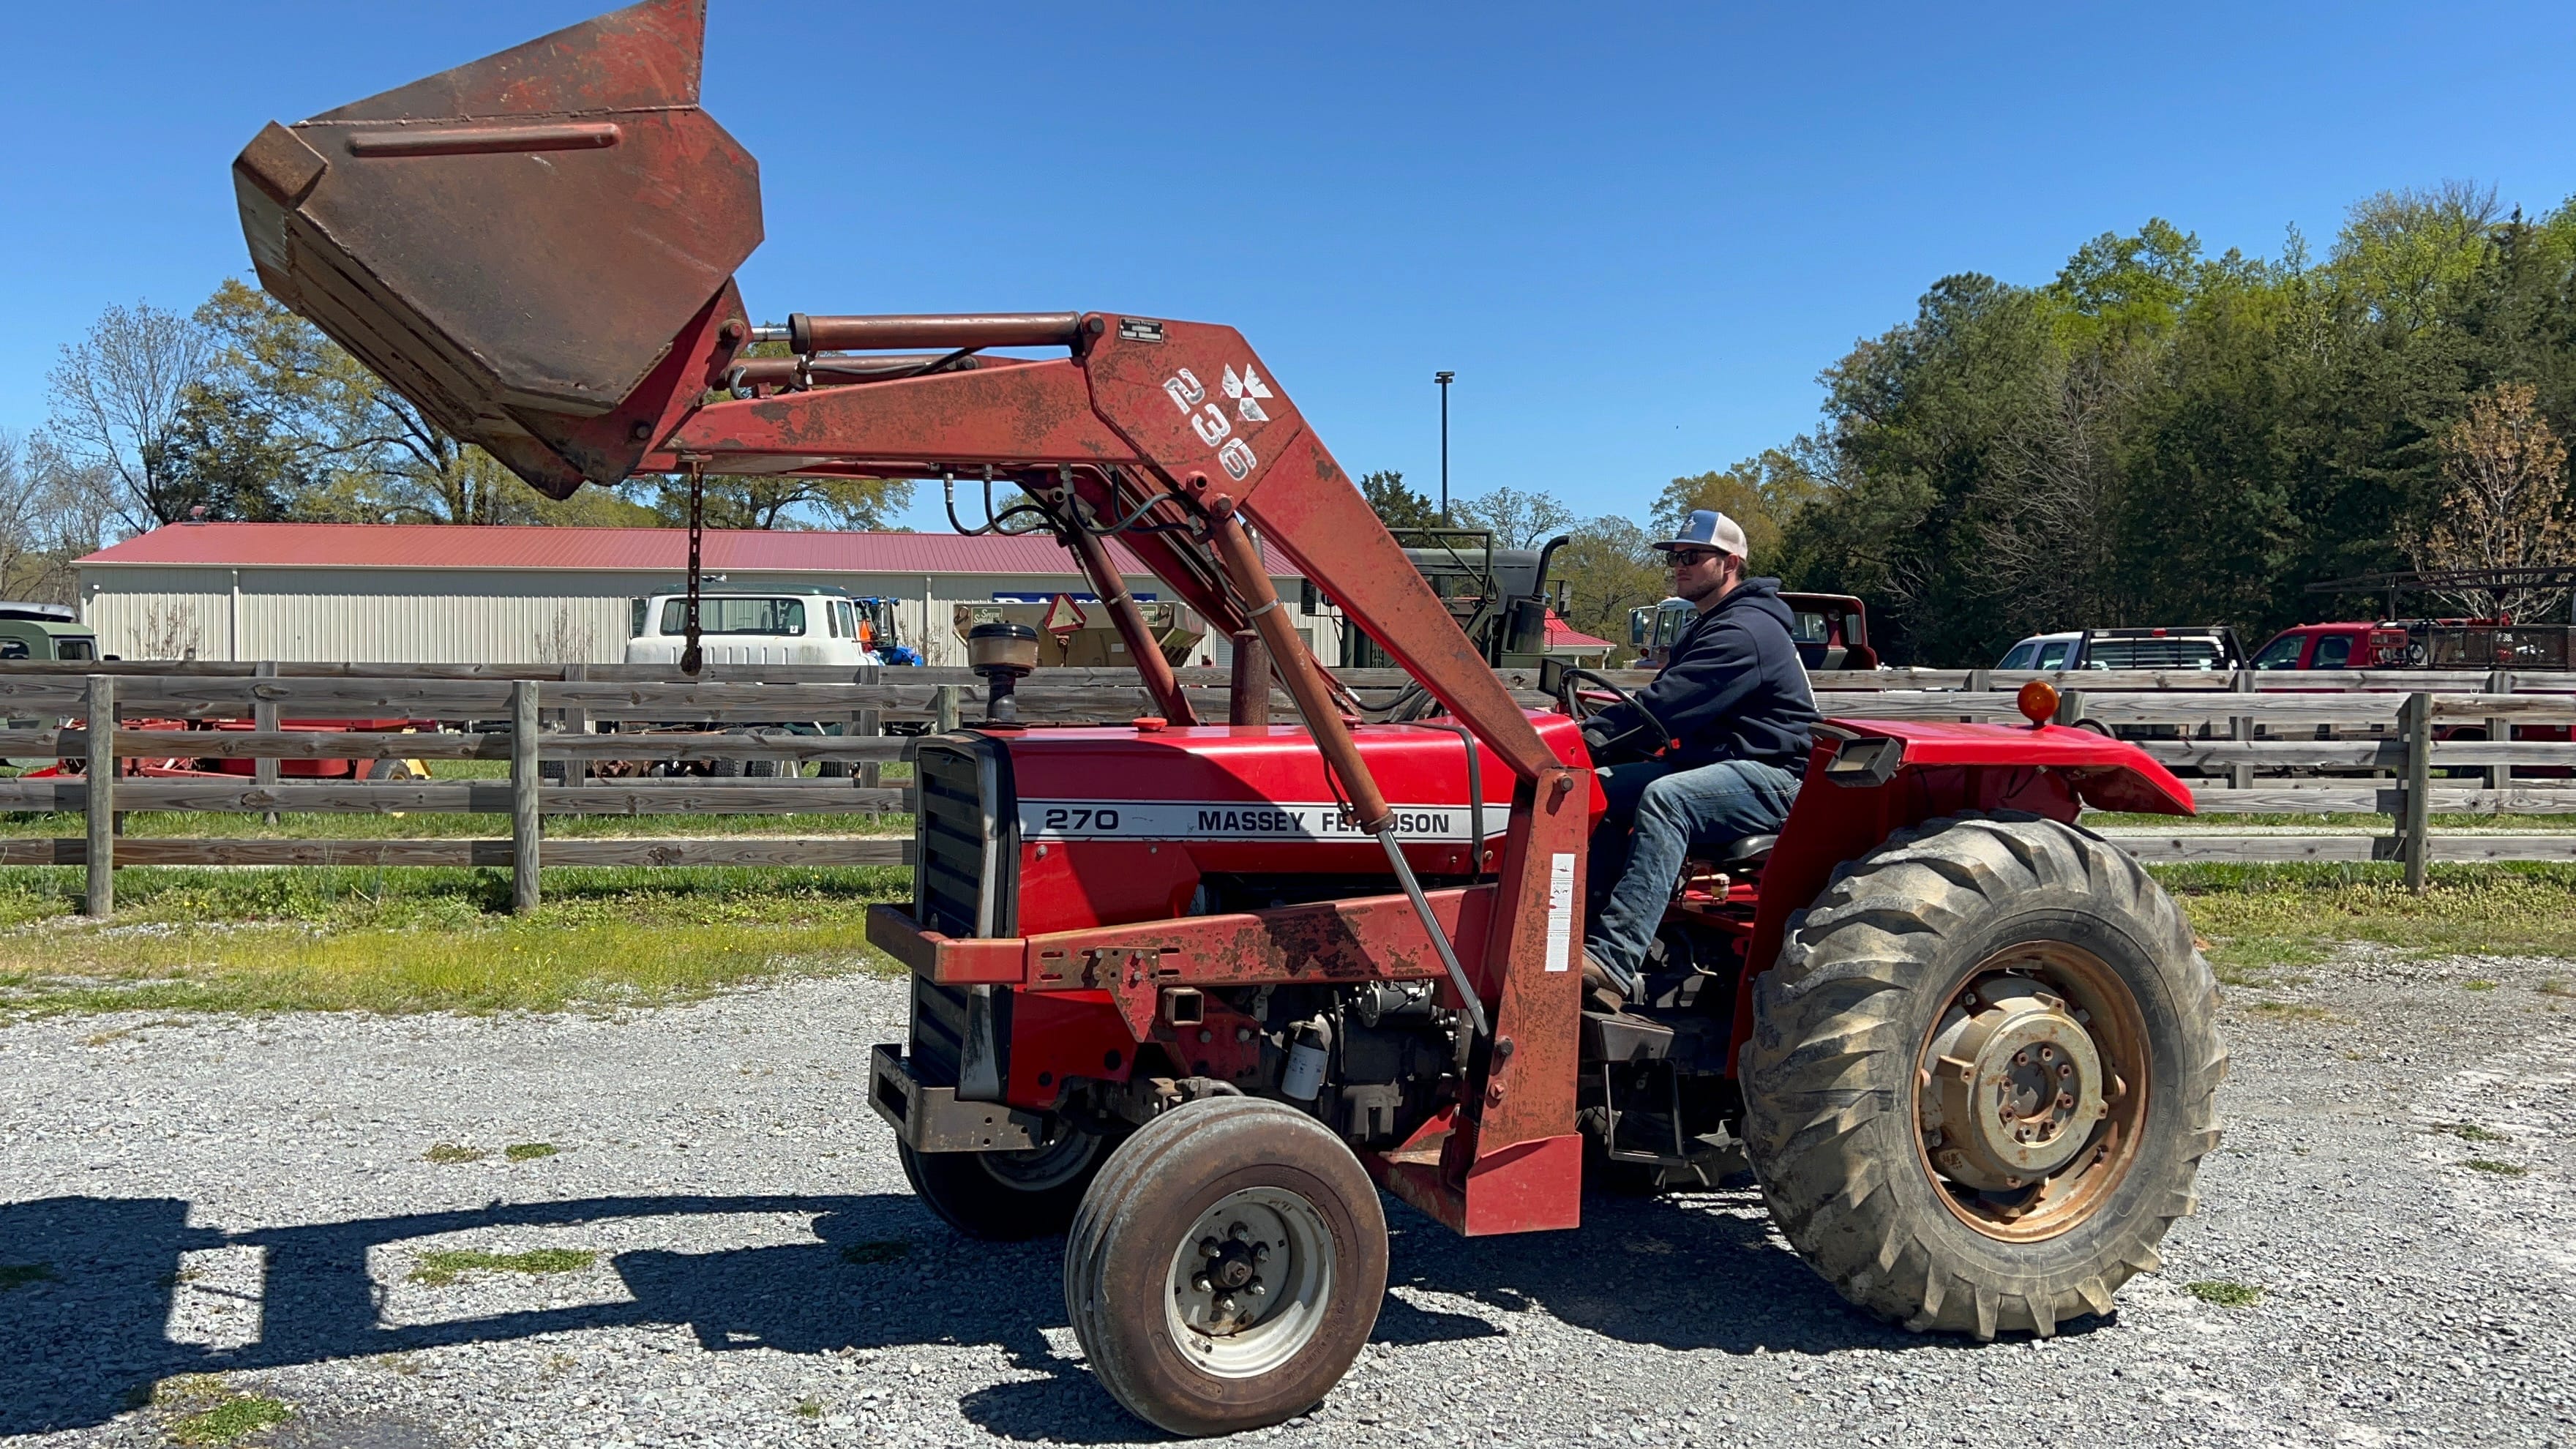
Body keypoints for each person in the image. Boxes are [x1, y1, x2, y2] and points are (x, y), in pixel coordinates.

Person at [1579, 509, 1818, 1006]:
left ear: (1730, 562)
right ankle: (1571, 926)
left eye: (1692, 557)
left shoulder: (1744, 632)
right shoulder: (1708, 625)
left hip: (1774, 777)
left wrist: (1579, 740)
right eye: (1675, 557)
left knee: (1669, 799)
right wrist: (1583, 755)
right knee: (1589, 787)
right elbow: (1665, 714)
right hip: (1717, 765)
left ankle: (1613, 959)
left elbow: (1665, 708)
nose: (1679, 566)